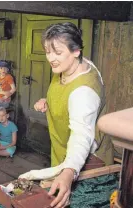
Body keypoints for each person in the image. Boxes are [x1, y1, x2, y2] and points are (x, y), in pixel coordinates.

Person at [19, 22, 113, 208]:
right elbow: (67, 94)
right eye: (47, 51)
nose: (51, 58)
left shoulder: (84, 92)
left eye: (58, 52)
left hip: (85, 160)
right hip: (60, 150)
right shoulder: (70, 66)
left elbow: (81, 135)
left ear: (76, 51)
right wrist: (49, 100)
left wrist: (68, 173)